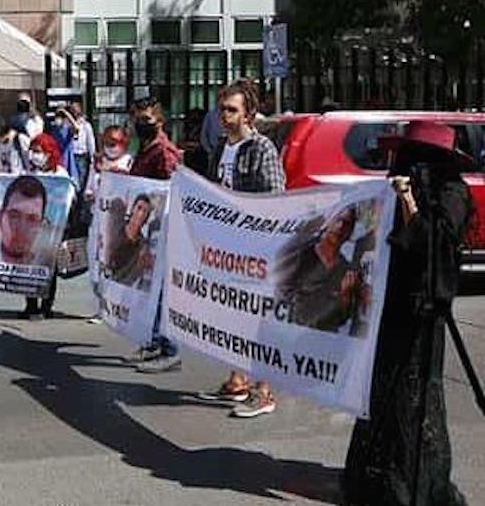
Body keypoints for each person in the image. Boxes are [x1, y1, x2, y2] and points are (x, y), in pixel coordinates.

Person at [342, 121, 473, 506]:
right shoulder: (391, 188)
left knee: (413, 395)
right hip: (390, 302)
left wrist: (409, 201)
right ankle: (375, 477)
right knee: (383, 390)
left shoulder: (451, 194)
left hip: (421, 308)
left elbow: (430, 245)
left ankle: (412, 482)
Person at [198, 79, 287, 418]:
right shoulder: (222, 146)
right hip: (228, 247)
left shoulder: (261, 148)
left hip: (256, 248)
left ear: (249, 113)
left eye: (231, 110)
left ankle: (263, 391)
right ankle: (237, 380)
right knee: (233, 315)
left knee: (258, 319)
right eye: (222, 109)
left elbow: (276, 197)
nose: (225, 116)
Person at [125, 96, 184, 374]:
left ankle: (169, 349)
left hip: (163, 228)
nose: (141, 124)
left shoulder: (163, 152)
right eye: (137, 118)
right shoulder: (145, 148)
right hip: (147, 229)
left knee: (161, 290)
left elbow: (172, 189)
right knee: (149, 288)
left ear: (160, 121)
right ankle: (153, 342)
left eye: (146, 119)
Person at [275, 206, 370, 335]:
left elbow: (340, 319)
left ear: (351, 231)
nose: (340, 226)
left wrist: (345, 296)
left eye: (347, 223)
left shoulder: (346, 271)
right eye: (338, 219)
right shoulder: (301, 254)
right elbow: (284, 297)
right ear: (328, 222)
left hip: (321, 345)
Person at [22, 133, 71, 319]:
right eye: (32, 151)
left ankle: (46, 306)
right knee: (29, 267)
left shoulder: (60, 174)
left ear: (49, 153)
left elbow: (69, 197)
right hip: (31, 229)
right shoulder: (30, 173)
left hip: (52, 227)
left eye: (38, 151)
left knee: (48, 268)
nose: (34, 155)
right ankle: (30, 305)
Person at [85, 125, 134, 202]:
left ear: (124, 144)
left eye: (113, 144)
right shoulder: (98, 161)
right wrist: (89, 194)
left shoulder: (129, 162)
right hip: (97, 208)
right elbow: (89, 187)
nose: (110, 147)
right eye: (106, 143)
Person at [69, 102, 96, 191]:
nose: (74, 112)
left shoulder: (86, 125)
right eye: (72, 110)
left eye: (76, 109)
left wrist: (92, 156)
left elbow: (90, 141)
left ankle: (80, 199)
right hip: (71, 154)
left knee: (82, 179)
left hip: (82, 155)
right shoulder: (68, 124)